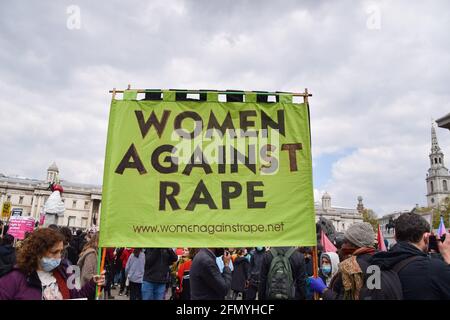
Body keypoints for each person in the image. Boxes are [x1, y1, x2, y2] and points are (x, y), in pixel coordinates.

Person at [0, 228, 104, 300]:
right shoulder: (13, 279)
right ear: (38, 252)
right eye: (54, 252)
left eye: (61, 251)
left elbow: (76, 296)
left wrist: (92, 283)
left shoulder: (65, 271)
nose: (59, 256)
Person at [370, 213, 450, 299]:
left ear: (395, 237)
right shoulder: (435, 269)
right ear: (426, 237)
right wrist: (447, 256)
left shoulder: (375, 265)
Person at [309, 222, 376, 300]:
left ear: (354, 244)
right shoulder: (379, 261)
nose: (342, 246)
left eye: (345, 242)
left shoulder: (351, 266)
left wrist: (324, 290)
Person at [77, 232, 99, 299]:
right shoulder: (91, 254)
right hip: (88, 288)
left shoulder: (92, 252)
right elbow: (87, 274)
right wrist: (99, 279)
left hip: (88, 287)